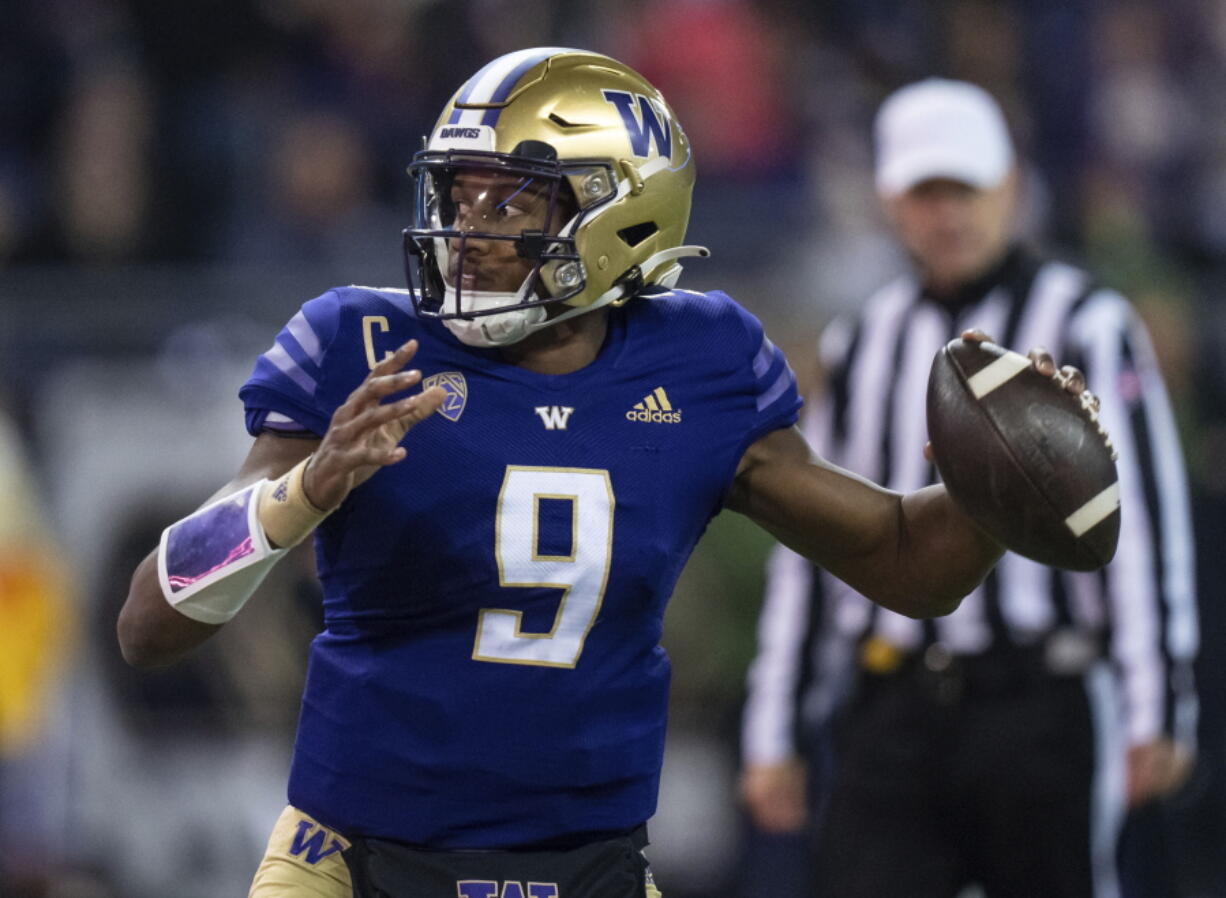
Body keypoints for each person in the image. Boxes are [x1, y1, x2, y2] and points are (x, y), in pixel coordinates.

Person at [117, 52, 1090, 898]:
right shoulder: (362, 343)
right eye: (458, 193)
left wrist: (994, 482)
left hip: (591, 863)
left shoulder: (701, 361)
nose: (470, 227)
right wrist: (304, 491)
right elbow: (149, 623)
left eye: (511, 199)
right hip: (354, 854)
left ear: (617, 216)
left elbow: (903, 560)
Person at [739, 78, 1198, 898]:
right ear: (891, 201)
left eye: (966, 189)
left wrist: (1157, 699)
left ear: (1012, 187)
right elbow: (814, 546)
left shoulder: (1087, 320)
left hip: (1040, 700)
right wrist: (777, 724)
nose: (947, 214)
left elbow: (1146, 524)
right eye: (926, 192)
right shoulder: (862, 339)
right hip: (893, 702)